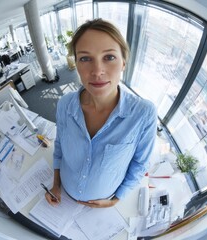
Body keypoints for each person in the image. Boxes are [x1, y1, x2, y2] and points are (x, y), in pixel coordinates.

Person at [45, 18, 157, 208]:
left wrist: (116, 199)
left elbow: (140, 164)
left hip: (103, 206)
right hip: (63, 196)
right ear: (76, 65)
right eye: (85, 58)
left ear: (123, 62)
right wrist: (56, 184)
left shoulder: (143, 114)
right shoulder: (65, 104)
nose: (97, 71)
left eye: (109, 57)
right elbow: (59, 147)